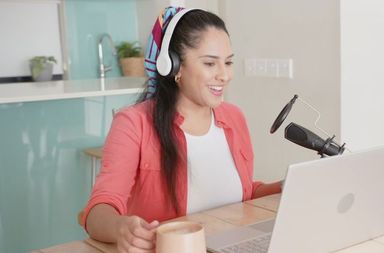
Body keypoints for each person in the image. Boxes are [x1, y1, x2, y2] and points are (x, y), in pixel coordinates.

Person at [81, 6, 281, 253]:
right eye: (210, 63)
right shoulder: (133, 123)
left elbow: (243, 192)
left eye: (228, 62)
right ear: (174, 66)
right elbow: (99, 210)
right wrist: (121, 227)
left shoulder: (234, 117)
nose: (224, 75)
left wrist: (284, 188)